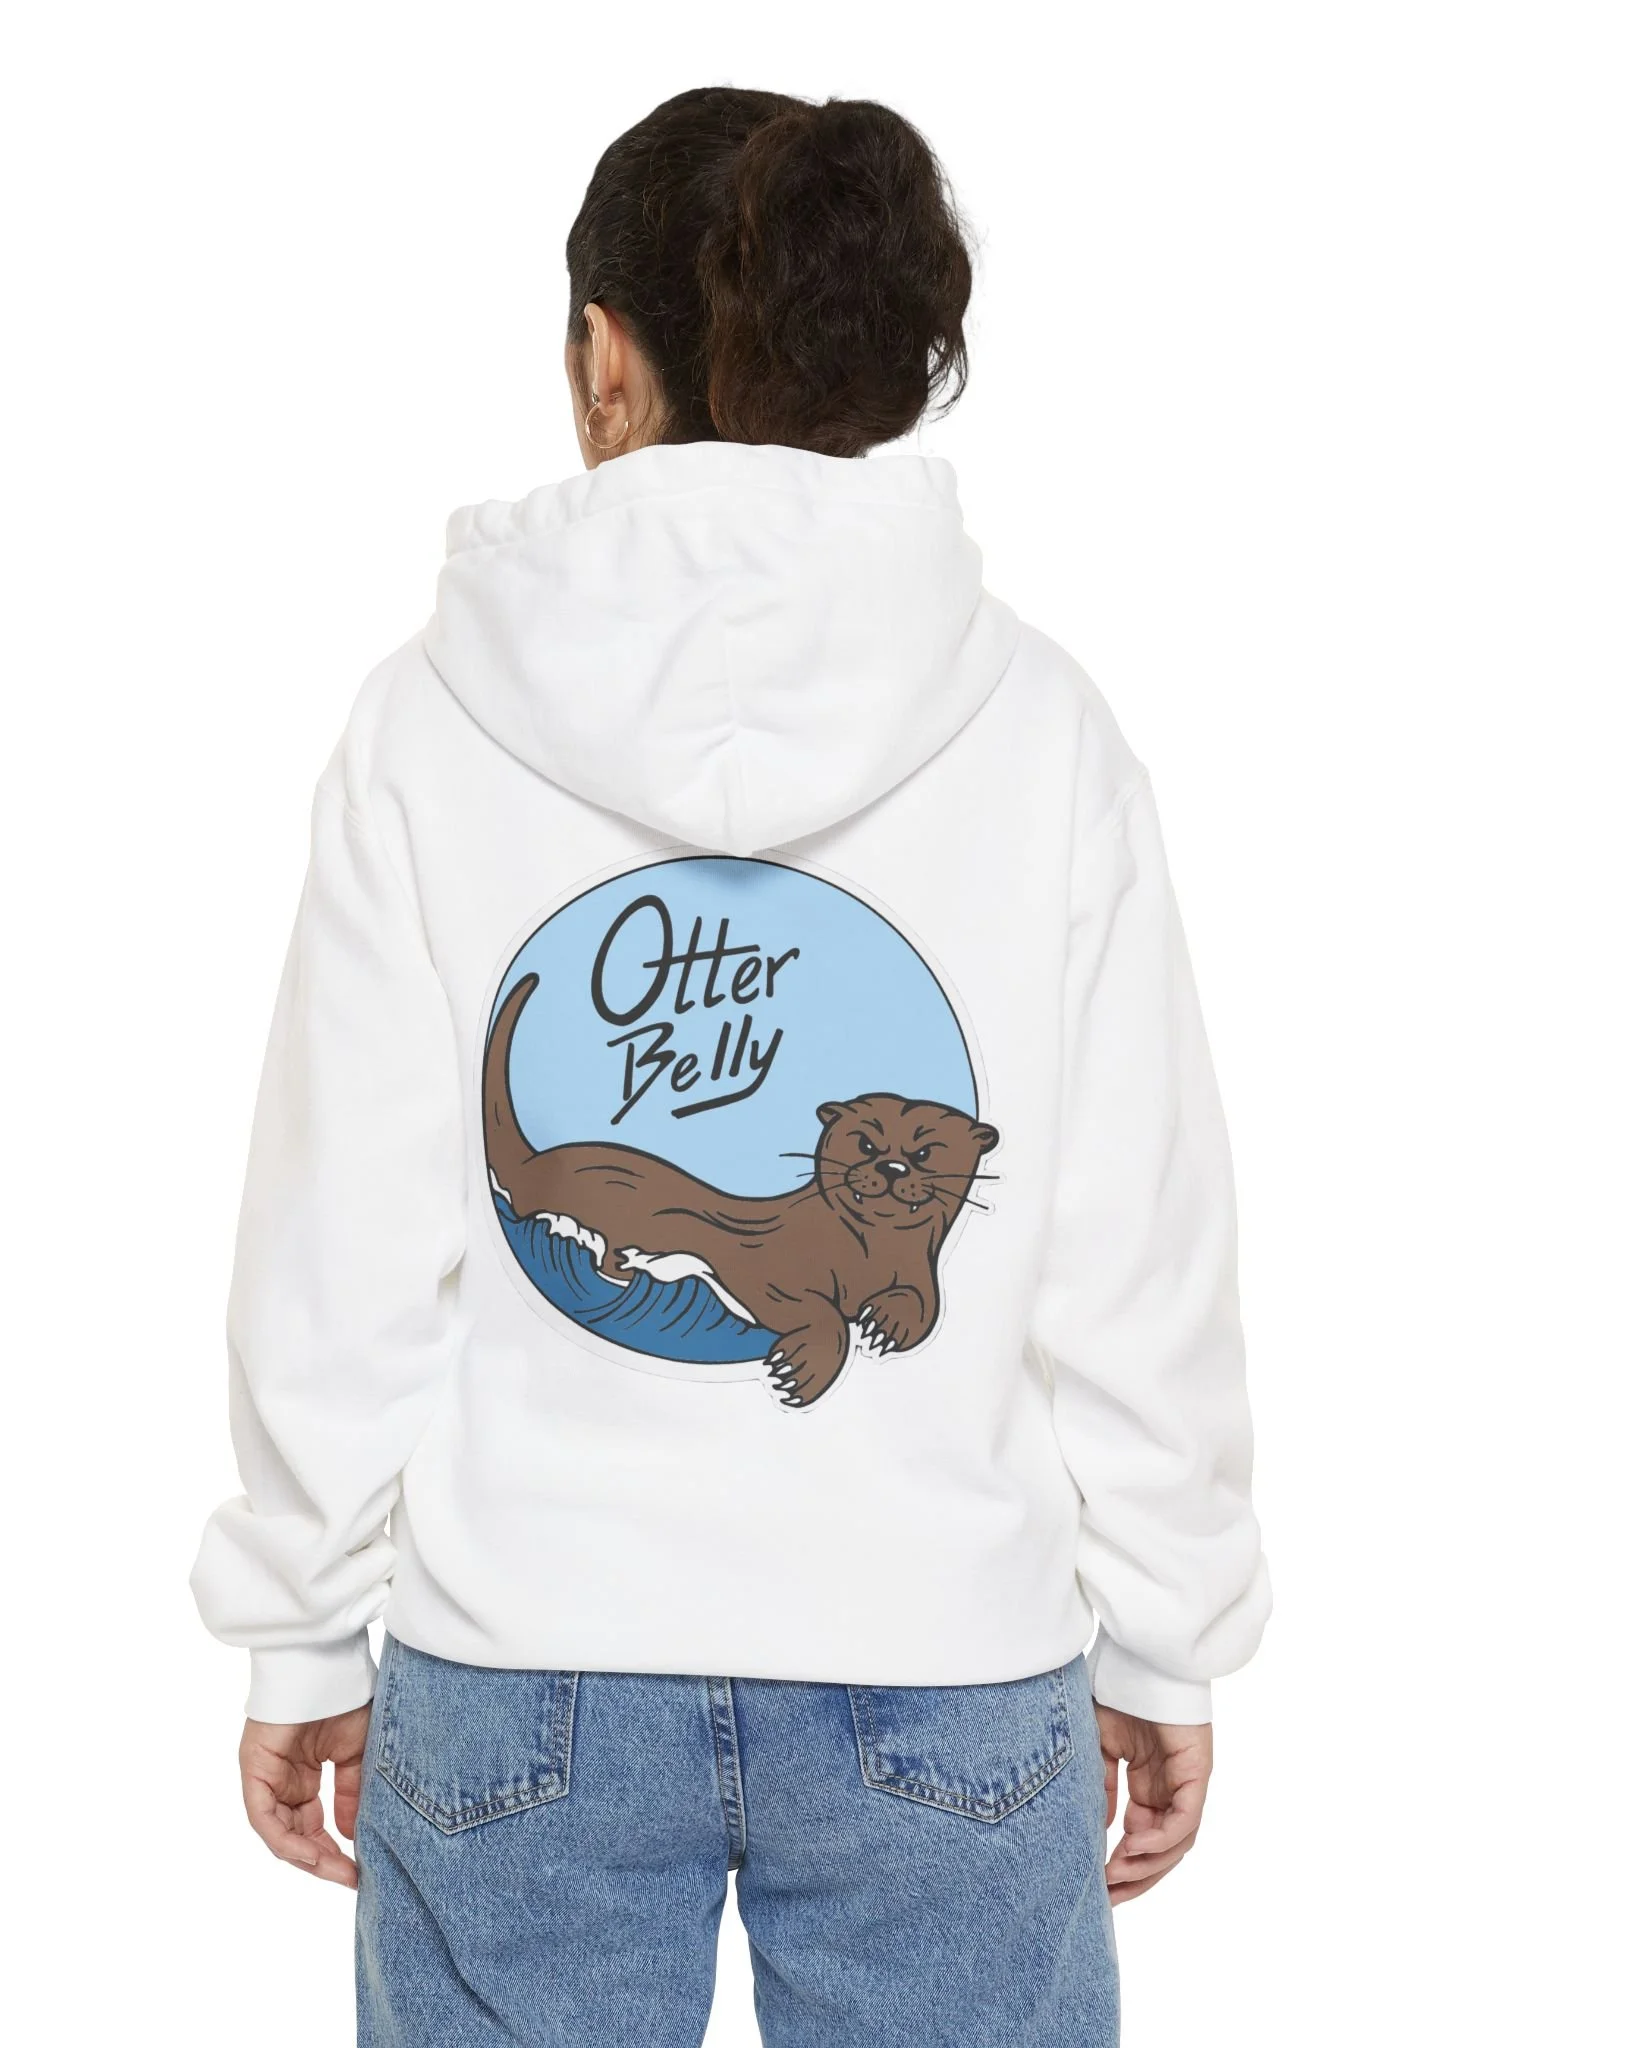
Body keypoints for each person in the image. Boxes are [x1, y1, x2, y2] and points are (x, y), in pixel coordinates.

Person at [191, 85, 1269, 2048]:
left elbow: (340, 1231)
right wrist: (1170, 1622)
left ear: (604, 363)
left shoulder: (426, 722)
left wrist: (297, 1620)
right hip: (944, 1649)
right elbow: (1138, 1237)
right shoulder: (1039, 727)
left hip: (521, 1652)